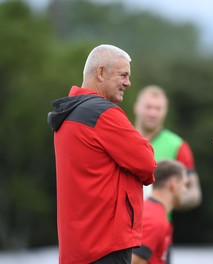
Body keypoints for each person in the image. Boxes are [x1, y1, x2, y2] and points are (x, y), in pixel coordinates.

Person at [47, 44, 156, 264]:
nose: (128, 82)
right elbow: (147, 164)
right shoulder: (103, 113)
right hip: (104, 246)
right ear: (100, 72)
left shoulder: (69, 114)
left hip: (75, 248)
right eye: (123, 75)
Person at [133, 85, 202, 209]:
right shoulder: (122, 137)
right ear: (137, 108)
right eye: (148, 107)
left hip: (156, 223)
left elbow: (194, 193)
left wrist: (166, 200)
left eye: (158, 108)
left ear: (165, 111)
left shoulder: (178, 145)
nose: (152, 113)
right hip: (122, 223)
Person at [131, 159, 189, 264]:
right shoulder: (155, 218)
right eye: (184, 184)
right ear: (173, 184)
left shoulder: (154, 213)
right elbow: (134, 260)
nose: (185, 190)